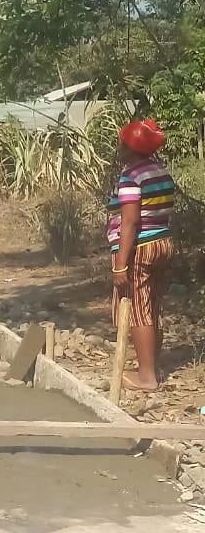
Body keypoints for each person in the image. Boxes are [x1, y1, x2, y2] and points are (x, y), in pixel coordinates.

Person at [109, 119, 175, 391]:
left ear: (129, 149)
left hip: (140, 248)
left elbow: (131, 222)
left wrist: (120, 264)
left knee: (138, 309)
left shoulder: (131, 177)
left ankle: (147, 377)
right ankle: (150, 367)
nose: (119, 148)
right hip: (162, 243)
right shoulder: (159, 171)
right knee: (152, 306)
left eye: (122, 144)